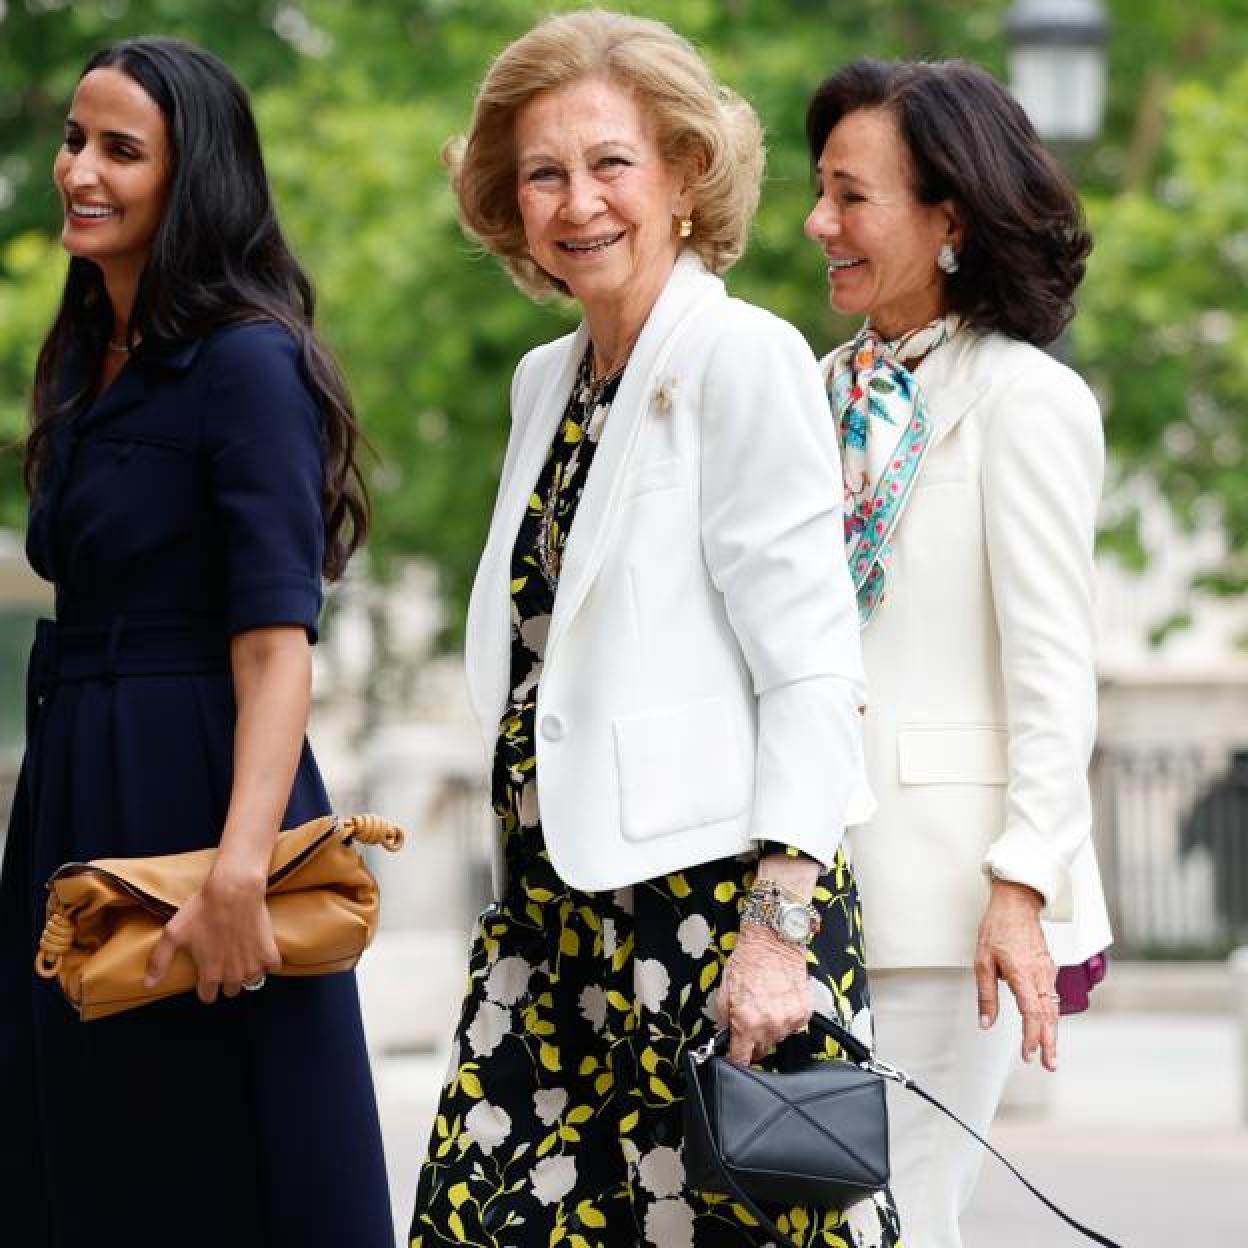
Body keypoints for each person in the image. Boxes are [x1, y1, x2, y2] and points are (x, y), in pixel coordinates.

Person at [409, 11, 899, 1248]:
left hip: (713, 920)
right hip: (553, 924)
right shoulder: (546, 380)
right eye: (543, 173)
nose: (579, 201)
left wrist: (778, 941)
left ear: (685, 173)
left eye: (611, 162)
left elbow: (810, 667)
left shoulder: (742, 358)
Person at [0, 37, 394, 1248]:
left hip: (200, 786)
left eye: (122, 150)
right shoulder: (80, 357)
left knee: (210, 1149)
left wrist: (240, 868)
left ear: (194, 180)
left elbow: (276, 642)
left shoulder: (249, 364)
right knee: (72, 1140)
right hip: (75, 774)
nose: (80, 169)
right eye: (76, 139)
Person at [803, 58, 1113, 1248]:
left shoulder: (1023, 400)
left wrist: (1022, 880)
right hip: (812, 891)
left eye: (852, 196)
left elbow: (1053, 667)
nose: (821, 224)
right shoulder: (816, 387)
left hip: (952, 909)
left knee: (899, 1224)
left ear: (950, 222)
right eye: (821, 193)